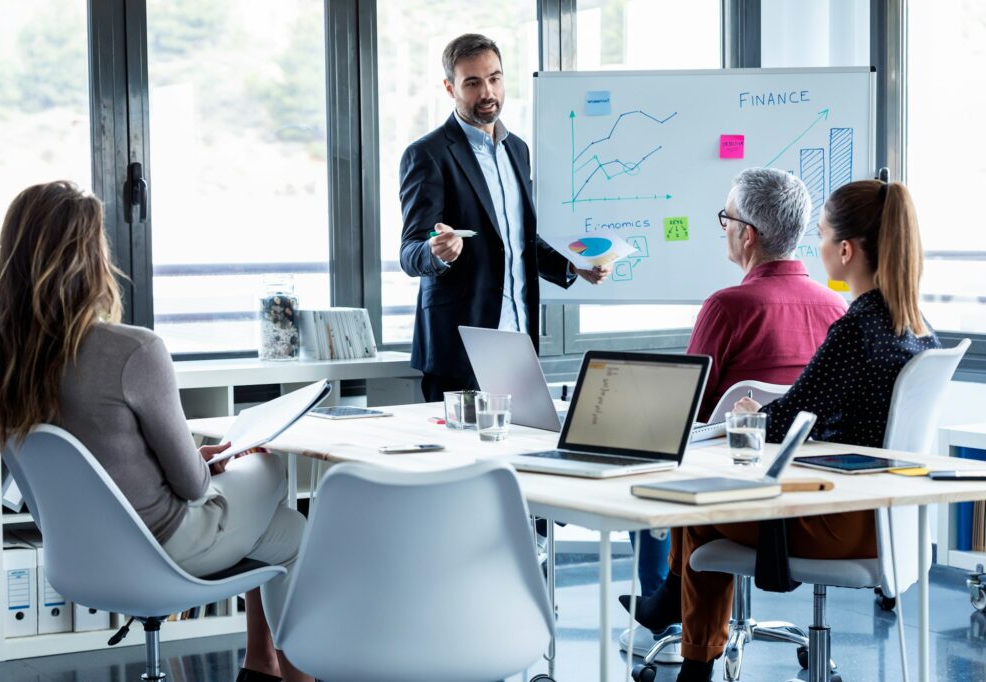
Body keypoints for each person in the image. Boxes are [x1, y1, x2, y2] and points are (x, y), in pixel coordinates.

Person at [0, 182, 313, 682]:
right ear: (89, 258)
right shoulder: (133, 350)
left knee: (277, 522)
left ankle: (260, 664)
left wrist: (207, 459)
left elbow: (104, 454)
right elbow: (194, 487)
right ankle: (290, 672)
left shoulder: (6, 364)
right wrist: (220, 462)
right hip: (169, 544)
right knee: (275, 476)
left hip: (80, 556)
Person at [635, 179, 940, 682]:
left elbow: (785, 420)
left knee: (698, 505)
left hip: (835, 521)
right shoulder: (913, 325)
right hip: (892, 518)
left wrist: (751, 409)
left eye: (820, 236)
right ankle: (682, 633)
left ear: (845, 250)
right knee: (707, 507)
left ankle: (691, 653)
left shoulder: (857, 328)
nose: (815, 247)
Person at [618, 168, 847, 661]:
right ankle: (664, 611)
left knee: (678, 480)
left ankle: (674, 622)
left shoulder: (728, 306)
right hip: (814, 495)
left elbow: (685, 412)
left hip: (735, 492)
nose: (722, 226)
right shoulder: (834, 307)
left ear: (747, 234)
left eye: (726, 218)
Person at [399, 33, 611, 402]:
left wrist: (573, 265)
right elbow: (410, 251)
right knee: (461, 457)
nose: (488, 92)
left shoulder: (517, 149)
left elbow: (519, 241)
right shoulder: (427, 154)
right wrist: (436, 252)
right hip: (461, 345)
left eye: (495, 78)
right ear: (450, 88)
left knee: (518, 453)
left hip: (518, 342)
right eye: (473, 83)